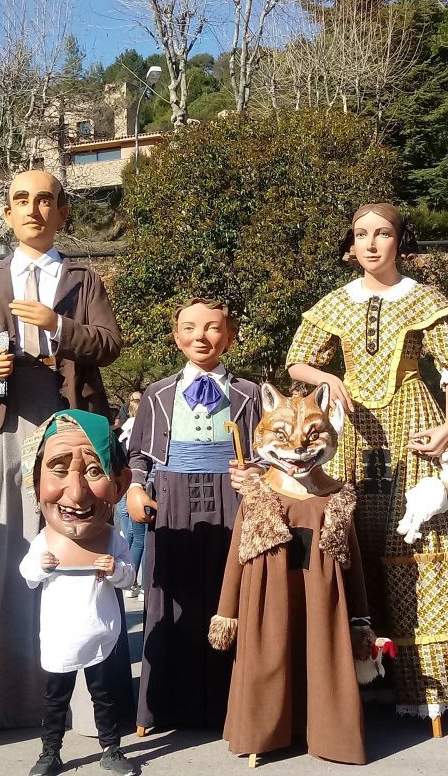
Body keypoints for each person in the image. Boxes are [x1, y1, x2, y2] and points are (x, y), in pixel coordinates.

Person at [286, 202, 448, 731]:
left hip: (413, 422)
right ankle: (358, 679)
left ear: (398, 241)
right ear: (351, 243)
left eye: (382, 233)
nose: (370, 243)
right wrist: (327, 377)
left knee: (421, 536)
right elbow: (296, 360)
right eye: (361, 234)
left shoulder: (425, 300)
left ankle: (429, 682)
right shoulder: (335, 303)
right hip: (352, 431)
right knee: (353, 536)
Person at [0, 170, 123, 740]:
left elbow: (109, 344)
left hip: (67, 420)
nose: (33, 209)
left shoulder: (83, 278)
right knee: (3, 553)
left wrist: (59, 326)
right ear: (6, 213)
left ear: (62, 212)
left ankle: (83, 710)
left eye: (45, 200)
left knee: (74, 545)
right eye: (20, 200)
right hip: (5, 421)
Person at [209, 383, 369, 765]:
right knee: (269, 657)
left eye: (309, 437)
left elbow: (354, 562)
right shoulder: (258, 494)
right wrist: (227, 613)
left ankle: (328, 734)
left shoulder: (336, 496)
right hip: (268, 602)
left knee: (322, 659)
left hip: (322, 603)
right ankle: (263, 733)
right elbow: (236, 558)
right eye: (284, 437)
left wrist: (360, 620)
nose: (298, 449)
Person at [124, 299, 262, 733]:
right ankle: (162, 706)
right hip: (172, 499)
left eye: (212, 327)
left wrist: (254, 473)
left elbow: (265, 451)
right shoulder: (157, 393)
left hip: (232, 498)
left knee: (230, 592)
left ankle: (231, 707)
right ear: (177, 336)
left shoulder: (250, 392)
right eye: (190, 327)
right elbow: (139, 454)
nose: (201, 336)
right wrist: (135, 487)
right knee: (170, 595)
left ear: (230, 337)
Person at [19, 410, 141, 776]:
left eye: (94, 471)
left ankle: (111, 748)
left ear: (119, 483)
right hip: (60, 638)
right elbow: (27, 574)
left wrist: (115, 570)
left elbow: (129, 578)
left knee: (104, 696)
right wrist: (41, 565)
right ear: (35, 480)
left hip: (101, 634)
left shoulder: (112, 538)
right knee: (55, 699)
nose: (76, 493)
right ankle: (50, 751)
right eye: (58, 469)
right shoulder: (45, 540)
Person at [116, 389, 147, 600]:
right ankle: (139, 584)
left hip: (123, 486)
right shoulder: (144, 431)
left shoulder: (122, 433)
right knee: (142, 540)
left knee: (130, 536)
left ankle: (129, 581)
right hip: (138, 487)